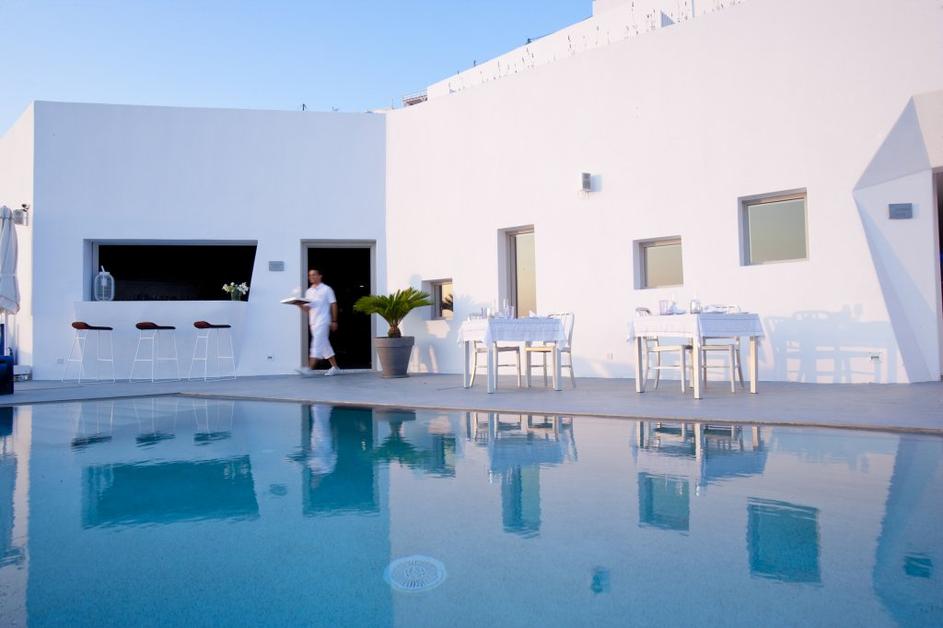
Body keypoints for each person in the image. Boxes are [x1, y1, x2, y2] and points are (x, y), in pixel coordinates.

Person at [296, 268, 340, 376]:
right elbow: (308, 309)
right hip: (313, 323)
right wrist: (299, 305)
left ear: (320, 276)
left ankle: (309, 368)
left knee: (316, 344)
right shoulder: (309, 291)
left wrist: (334, 320)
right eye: (310, 275)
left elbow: (333, 304)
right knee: (324, 345)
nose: (311, 277)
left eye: (314, 274)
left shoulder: (326, 289)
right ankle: (335, 367)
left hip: (323, 321)